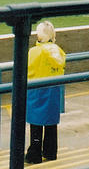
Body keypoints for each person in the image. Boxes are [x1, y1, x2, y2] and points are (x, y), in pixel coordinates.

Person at [25, 21, 66, 164]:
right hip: (53, 89)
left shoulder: (35, 51)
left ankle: (34, 153)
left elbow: (27, 69)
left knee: (36, 122)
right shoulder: (58, 50)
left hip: (37, 89)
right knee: (50, 122)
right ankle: (50, 152)